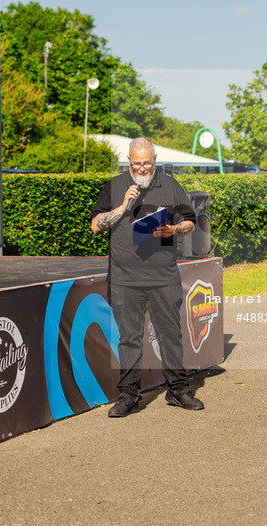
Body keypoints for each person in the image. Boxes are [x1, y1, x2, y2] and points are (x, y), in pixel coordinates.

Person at [90, 137, 202, 417]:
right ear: (128, 161)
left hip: (163, 276)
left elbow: (190, 221)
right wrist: (122, 208)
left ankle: (178, 390)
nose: (142, 168)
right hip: (124, 279)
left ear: (155, 160)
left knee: (170, 335)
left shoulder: (170, 185)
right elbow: (95, 225)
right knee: (129, 339)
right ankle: (128, 396)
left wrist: (173, 231)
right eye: (137, 163)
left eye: (147, 162)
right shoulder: (115, 186)